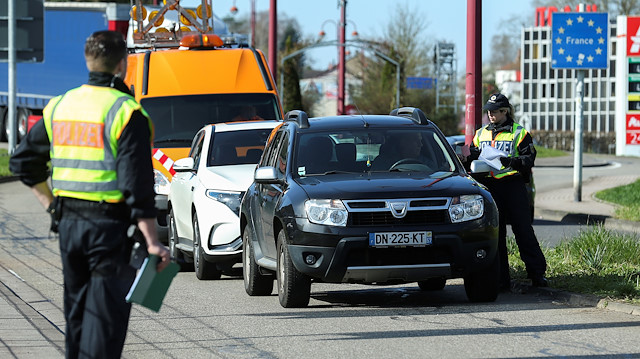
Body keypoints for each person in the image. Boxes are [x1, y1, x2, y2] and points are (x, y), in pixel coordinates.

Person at [9, 30, 170, 358]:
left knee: (78, 317)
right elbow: (137, 187)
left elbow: (22, 162)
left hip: (69, 227)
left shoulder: (60, 106)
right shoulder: (126, 112)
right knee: (105, 324)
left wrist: (51, 205)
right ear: (123, 64)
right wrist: (153, 241)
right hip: (109, 232)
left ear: (88, 61)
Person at [463, 93, 547, 290]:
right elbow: (473, 154)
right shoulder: (481, 133)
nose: (490, 115)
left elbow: (529, 160)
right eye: (488, 112)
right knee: (495, 234)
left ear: (505, 111)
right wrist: (465, 157)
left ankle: (537, 274)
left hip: (513, 186)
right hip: (490, 187)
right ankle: (501, 279)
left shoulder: (519, 133)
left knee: (523, 231)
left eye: (494, 111)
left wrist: (512, 162)